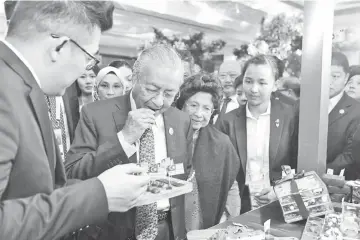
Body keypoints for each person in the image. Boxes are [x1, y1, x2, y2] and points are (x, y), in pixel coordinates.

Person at [0, 2, 150, 239]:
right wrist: (99, 195)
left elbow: (36, 190)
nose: (85, 68)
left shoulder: (24, 87)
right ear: (59, 47)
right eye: (89, 59)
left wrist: (103, 186)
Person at [65, 44, 193, 240]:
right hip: (113, 230)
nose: (159, 101)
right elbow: (73, 172)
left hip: (167, 230)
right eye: (151, 89)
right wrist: (124, 138)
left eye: (169, 94)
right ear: (134, 78)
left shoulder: (181, 121)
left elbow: (183, 173)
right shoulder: (96, 114)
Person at [217, 55, 298, 213]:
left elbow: (299, 162)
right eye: (248, 81)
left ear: (275, 84)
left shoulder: (290, 116)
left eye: (262, 83)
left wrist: (280, 191)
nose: (254, 89)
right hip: (240, 202)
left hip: (280, 200)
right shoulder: (227, 121)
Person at [175, 73, 240, 230]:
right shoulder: (167, 135)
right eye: (193, 105)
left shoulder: (222, 143)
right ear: (182, 105)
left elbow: (230, 184)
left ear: (213, 112)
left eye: (206, 108)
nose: (199, 114)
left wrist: (231, 222)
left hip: (203, 223)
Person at [326, 52, 360, 180]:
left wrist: (318, 176)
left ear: (345, 78)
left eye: (335, 76)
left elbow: (350, 154)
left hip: (336, 184)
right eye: (325, 76)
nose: (329, 82)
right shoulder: (301, 105)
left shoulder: (356, 111)